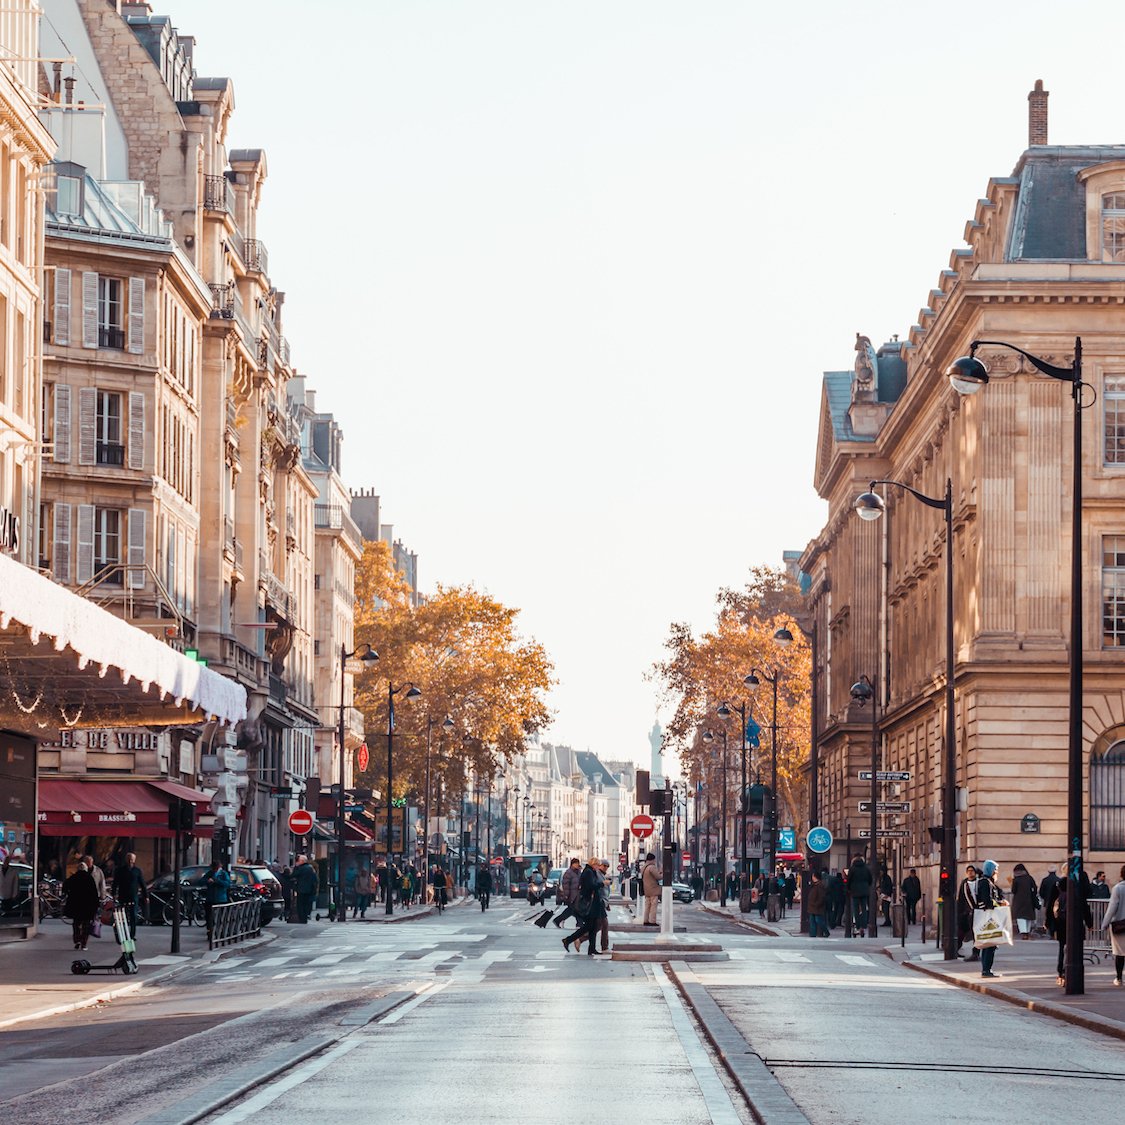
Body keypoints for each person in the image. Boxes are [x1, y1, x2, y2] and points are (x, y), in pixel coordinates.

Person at [1046, 870, 1092, 986]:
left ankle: (1061, 974)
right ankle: (1070, 973)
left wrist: (1049, 923)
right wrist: (1089, 923)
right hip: (1076, 922)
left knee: (1062, 948)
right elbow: (1084, 906)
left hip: (1060, 922)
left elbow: (1050, 904)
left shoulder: (1058, 885)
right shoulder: (1078, 886)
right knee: (1076, 949)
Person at [562, 858, 608, 957]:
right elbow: (590, 886)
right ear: (593, 864)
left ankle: (591, 948)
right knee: (588, 926)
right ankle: (568, 940)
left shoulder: (590, 872)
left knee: (593, 926)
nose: (597, 867)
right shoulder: (588, 872)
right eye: (597, 865)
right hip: (589, 903)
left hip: (594, 903)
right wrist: (602, 884)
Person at [973, 859, 1006, 978]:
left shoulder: (986, 882)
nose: (996, 872)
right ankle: (986, 970)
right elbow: (987, 901)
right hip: (988, 917)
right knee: (990, 944)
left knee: (990, 944)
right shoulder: (985, 883)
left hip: (988, 916)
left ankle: (987, 969)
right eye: (995, 870)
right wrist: (1000, 904)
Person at [64, 860, 99, 950]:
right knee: (86, 925)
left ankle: (77, 940)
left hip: (76, 904)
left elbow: (65, 886)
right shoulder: (89, 878)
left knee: (76, 923)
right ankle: (84, 943)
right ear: (86, 869)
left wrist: (69, 893)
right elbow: (94, 893)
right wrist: (96, 905)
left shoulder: (74, 877)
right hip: (87, 905)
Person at [111, 852, 148, 938]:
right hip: (123, 895)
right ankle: (123, 933)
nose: (130, 861)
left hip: (133, 896)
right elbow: (115, 883)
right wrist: (113, 893)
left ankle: (132, 934)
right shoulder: (120, 870)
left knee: (133, 916)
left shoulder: (137, 871)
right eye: (128, 859)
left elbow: (142, 884)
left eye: (131, 859)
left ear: (134, 860)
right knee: (122, 916)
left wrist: (146, 896)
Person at [1101, 863, 1125, 986]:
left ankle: (1119, 978)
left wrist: (1104, 924)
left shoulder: (1118, 888)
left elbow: (1112, 908)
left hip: (1120, 924)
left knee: (1120, 953)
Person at [198, 860, 231, 936]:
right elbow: (201, 881)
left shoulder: (223, 874)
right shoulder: (210, 873)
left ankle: (221, 931)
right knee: (209, 916)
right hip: (210, 898)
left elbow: (227, 884)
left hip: (221, 898)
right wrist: (207, 881)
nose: (215, 870)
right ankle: (210, 931)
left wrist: (216, 881)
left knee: (221, 917)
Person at [1009, 863, 1039, 940]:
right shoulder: (1029, 878)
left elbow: (1013, 891)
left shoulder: (1016, 879)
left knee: (1020, 917)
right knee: (1028, 917)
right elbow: (1035, 888)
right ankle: (1027, 932)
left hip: (1018, 901)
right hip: (1029, 900)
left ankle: (1023, 933)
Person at [957, 864, 979, 959]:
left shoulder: (979, 882)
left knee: (976, 934)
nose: (970, 872)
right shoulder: (964, 883)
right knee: (961, 932)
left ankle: (975, 953)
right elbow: (961, 898)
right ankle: (955, 949)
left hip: (977, 912)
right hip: (966, 912)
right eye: (968, 871)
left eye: (972, 871)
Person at [554, 857, 583, 928]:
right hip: (572, 895)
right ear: (572, 864)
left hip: (578, 894)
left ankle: (558, 920)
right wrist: (566, 895)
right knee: (574, 909)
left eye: (577, 863)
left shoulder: (579, 872)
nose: (577, 865)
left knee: (573, 910)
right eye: (575, 863)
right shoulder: (568, 872)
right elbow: (565, 885)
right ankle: (579, 923)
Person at [847, 856, 872, 933]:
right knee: (864, 908)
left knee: (856, 909)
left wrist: (848, 888)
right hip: (864, 891)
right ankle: (863, 925)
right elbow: (870, 879)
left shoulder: (852, 869)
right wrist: (867, 886)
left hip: (855, 891)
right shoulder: (866, 868)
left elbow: (849, 880)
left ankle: (857, 925)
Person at [293, 855, 319, 923]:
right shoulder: (311, 868)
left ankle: (302, 919)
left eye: (299, 861)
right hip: (309, 890)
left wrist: (296, 867)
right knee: (306, 904)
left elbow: (294, 875)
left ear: (301, 861)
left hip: (301, 889)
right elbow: (315, 879)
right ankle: (305, 917)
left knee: (300, 905)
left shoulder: (300, 868)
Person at [1038, 865, 1060, 937]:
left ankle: (1051, 933)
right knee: (1056, 917)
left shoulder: (1045, 880)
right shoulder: (1059, 880)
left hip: (1048, 901)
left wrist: (1045, 898)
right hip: (1057, 902)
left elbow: (1041, 892)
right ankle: (1057, 931)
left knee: (1049, 916)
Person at [806, 869, 829, 937]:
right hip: (812, 906)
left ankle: (825, 932)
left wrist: (817, 904)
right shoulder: (815, 885)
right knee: (813, 921)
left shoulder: (820, 885)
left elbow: (822, 897)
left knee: (818, 920)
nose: (812, 878)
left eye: (813, 876)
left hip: (816, 906)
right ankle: (813, 934)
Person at [641, 852, 660, 926]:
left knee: (647, 906)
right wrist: (662, 873)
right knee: (653, 906)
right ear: (652, 859)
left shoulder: (644, 867)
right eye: (654, 860)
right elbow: (658, 877)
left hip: (646, 889)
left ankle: (646, 920)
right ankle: (652, 921)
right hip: (653, 889)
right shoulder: (652, 867)